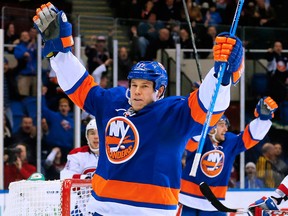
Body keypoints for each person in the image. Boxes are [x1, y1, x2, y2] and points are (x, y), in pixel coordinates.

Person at [33, 3, 244, 215]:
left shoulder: (174, 113)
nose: (136, 91)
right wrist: (61, 54)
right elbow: (81, 87)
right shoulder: (113, 102)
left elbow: (208, 106)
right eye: (134, 85)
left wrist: (221, 77)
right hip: (104, 208)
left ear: (160, 91)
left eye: (144, 86)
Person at [178, 97, 278, 216]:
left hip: (214, 204)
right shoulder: (199, 139)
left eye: (226, 125)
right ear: (211, 128)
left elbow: (250, 137)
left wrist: (262, 119)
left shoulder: (230, 142)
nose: (226, 128)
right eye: (221, 125)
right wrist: (203, 109)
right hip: (187, 200)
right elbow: (191, 136)